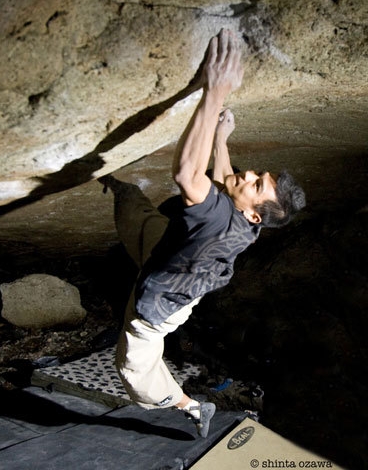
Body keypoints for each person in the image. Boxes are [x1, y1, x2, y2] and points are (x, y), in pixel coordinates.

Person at [100, 28, 306, 438]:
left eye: (256, 185)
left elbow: (186, 174)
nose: (247, 175)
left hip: (158, 305)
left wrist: (214, 93)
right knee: (141, 218)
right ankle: (121, 189)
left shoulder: (216, 219)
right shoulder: (248, 219)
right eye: (258, 175)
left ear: (253, 214)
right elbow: (224, 177)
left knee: (134, 369)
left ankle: (189, 405)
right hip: (172, 252)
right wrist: (221, 139)